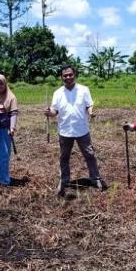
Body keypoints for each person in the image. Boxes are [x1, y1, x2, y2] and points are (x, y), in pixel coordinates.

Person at [44, 65, 107, 197]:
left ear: (75, 75)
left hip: (82, 129)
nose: (68, 77)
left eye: (70, 74)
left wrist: (91, 112)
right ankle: (64, 180)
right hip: (65, 130)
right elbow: (55, 111)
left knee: (90, 154)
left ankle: (95, 178)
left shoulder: (84, 90)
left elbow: (89, 104)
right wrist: (49, 112)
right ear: (61, 77)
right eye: (65, 75)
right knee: (64, 157)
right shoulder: (57, 93)